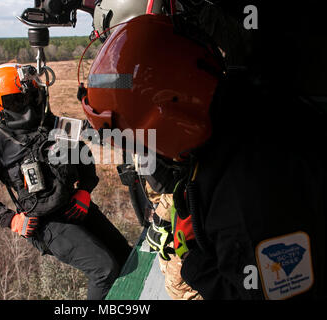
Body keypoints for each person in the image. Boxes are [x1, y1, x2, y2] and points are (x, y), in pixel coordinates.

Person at [80, 8, 326, 300]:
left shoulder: (242, 204)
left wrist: (196, 267)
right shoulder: (243, 98)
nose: (145, 152)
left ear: (169, 121)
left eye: (141, 141)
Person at [0, 63, 132, 300]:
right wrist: (11, 219)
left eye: (32, 97)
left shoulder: (53, 124)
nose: (29, 107)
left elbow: (84, 154)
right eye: (17, 101)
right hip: (44, 223)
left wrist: (84, 190)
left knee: (124, 256)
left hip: (74, 205)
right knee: (103, 269)